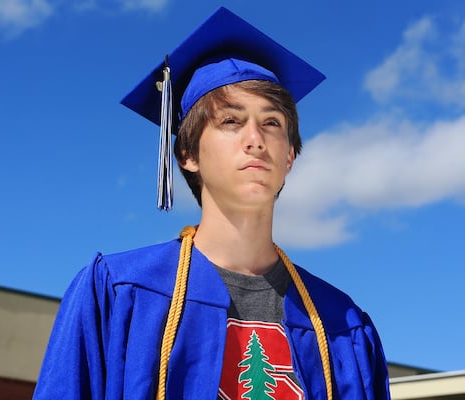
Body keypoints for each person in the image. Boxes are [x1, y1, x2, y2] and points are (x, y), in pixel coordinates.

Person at [33, 7, 390, 400]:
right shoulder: (121, 292)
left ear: (289, 156)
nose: (255, 139)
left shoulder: (342, 325)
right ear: (187, 153)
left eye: (271, 123)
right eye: (231, 122)